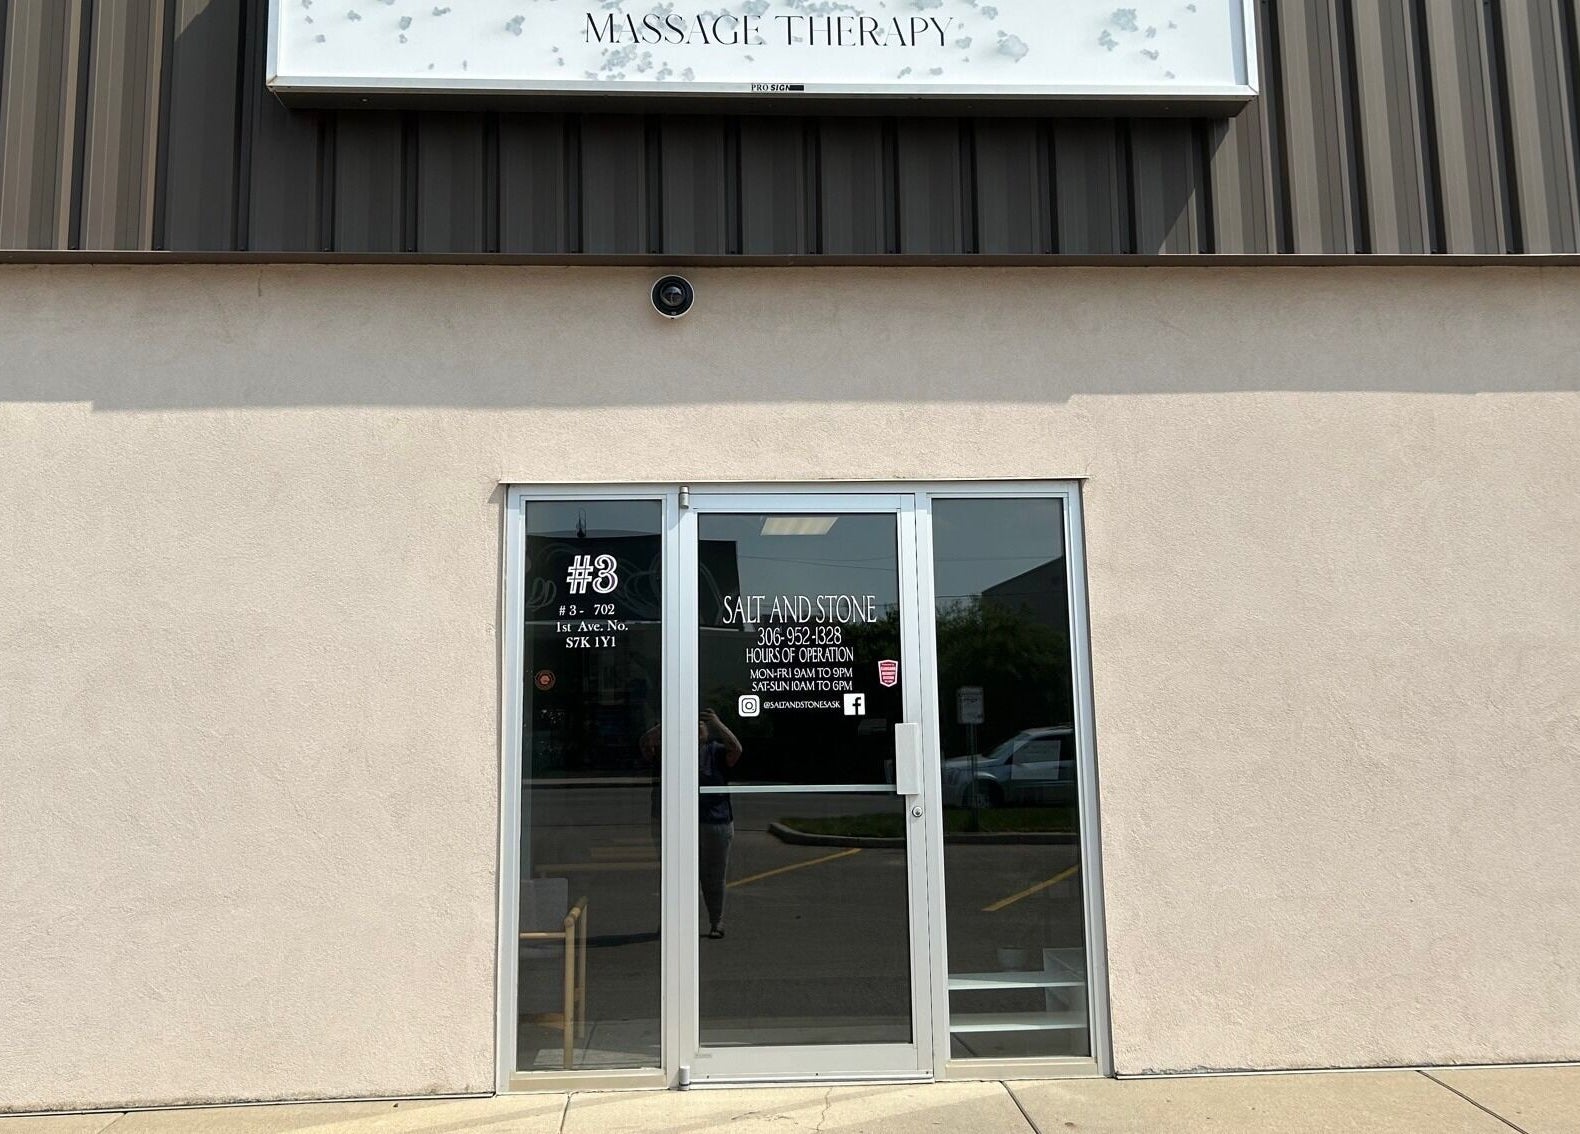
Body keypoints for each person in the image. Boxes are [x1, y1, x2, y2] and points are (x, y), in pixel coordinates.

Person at [697, 708, 742, 939]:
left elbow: (736, 749)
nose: (696, 729)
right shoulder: (678, 751)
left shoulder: (716, 751)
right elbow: (646, 742)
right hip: (686, 823)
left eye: (701, 725)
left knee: (714, 876)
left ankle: (717, 921)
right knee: (681, 875)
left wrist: (717, 722)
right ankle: (676, 921)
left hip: (716, 822)